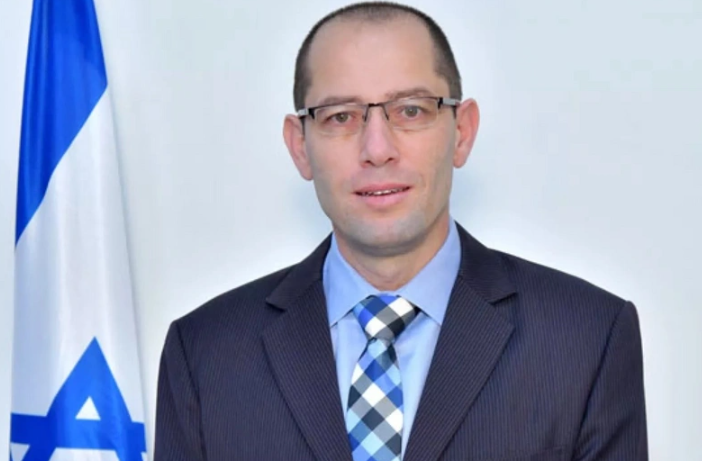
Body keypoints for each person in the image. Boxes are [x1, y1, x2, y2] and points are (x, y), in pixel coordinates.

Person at [154, 2, 648, 460]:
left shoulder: (586, 338)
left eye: (410, 110)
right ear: (300, 146)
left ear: (462, 131)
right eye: (340, 116)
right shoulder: (204, 354)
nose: (377, 149)